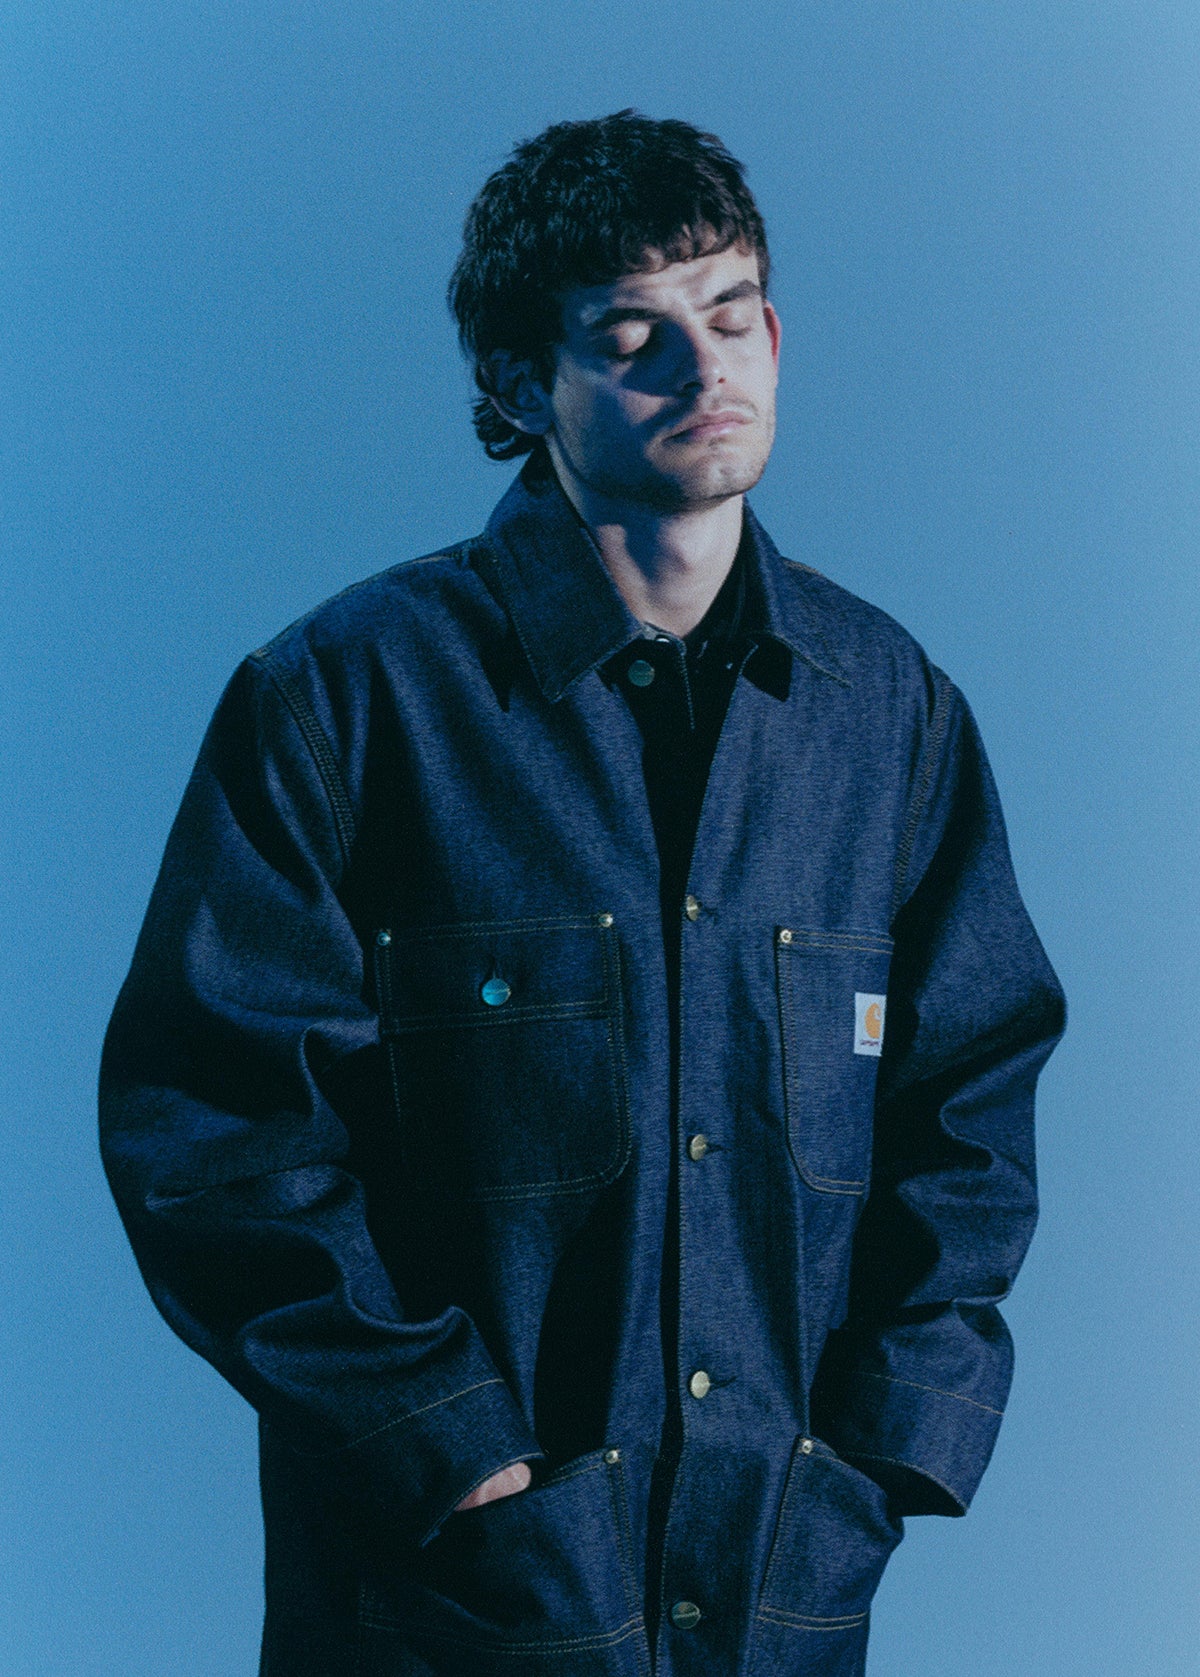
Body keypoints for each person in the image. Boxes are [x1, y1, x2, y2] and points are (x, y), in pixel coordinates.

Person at [100, 111, 1065, 1677]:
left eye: (731, 315)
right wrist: (442, 1442)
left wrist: (887, 1450)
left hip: (776, 1593)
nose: (703, 369)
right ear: (514, 386)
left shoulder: (891, 713)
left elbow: (974, 1102)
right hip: (446, 1607)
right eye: (631, 338)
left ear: (776, 335)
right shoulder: (349, 700)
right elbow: (212, 1124)